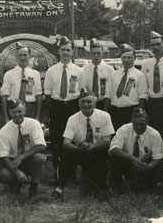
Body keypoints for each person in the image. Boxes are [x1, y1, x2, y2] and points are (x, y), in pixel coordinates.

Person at [51, 89, 114, 199]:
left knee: (103, 156)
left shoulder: (105, 116)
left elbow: (107, 140)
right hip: (79, 150)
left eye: (89, 102)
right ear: (79, 103)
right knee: (66, 155)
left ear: (95, 103)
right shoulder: (72, 119)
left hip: (97, 149)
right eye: (83, 102)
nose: (86, 105)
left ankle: (101, 189)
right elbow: (66, 143)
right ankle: (59, 189)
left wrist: (92, 147)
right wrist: (78, 148)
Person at [44, 36, 85, 174]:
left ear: (72, 52)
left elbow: (82, 92)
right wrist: (53, 110)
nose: (66, 53)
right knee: (57, 141)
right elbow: (48, 94)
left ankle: (71, 172)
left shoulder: (79, 71)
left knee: (72, 140)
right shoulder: (51, 71)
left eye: (68, 50)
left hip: (73, 107)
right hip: (57, 107)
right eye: (63, 50)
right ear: (58, 51)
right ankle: (58, 172)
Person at [0, 99, 46, 198]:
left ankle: (33, 186)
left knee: (39, 158)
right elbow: (3, 156)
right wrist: (16, 171)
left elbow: (41, 146)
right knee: (4, 174)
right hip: (13, 162)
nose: (17, 115)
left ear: (25, 111)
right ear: (9, 113)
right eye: (14, 112)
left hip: (29, 158)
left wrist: (22, 157)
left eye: (19, 111)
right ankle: (16, 184)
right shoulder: (4, 130)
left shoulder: (34, 124)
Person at [109, 108, 163, 193]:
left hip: (144, 165)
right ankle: (117, 187)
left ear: (147, 121)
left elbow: (158, 158)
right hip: (128, 162)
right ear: (132, 122)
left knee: (160, 166)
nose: (138, 127)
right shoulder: (124, 129)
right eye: (135, 124)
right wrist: (132, 158)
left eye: (141, 124)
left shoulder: (154, 134)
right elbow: (113, 149)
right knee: (115, 159)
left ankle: (149, 188)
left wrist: (145, 167)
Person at [104, 43, 148, 130]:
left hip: (130, 112)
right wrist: (106, 113)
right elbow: (107, 95)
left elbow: (142, 97)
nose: (126, 60)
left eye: (129, 57)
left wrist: (138, 115)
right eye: (124, 58)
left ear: (134, 58)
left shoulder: (140, 75)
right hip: (114, 111)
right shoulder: (113, 74)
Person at [0, 42, 42, 124]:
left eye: (25, 55)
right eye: (20, 55)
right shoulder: (9, 74)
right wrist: (5, 117)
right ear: (16, 57)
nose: (22, 58)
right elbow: (4, 97)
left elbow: (38, 96)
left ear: (29, 57)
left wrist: (38, 116)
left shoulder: (35, 74)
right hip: (14, 109)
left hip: (30, 109)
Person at [82, 38, 115, 110]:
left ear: (102, 53)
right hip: (89, 103)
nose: (96, 56)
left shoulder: (110, 69)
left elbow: (112, 90)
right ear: (90, 53)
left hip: (104, 102)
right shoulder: (84, 70)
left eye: (98, 53)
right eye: (93, 53)